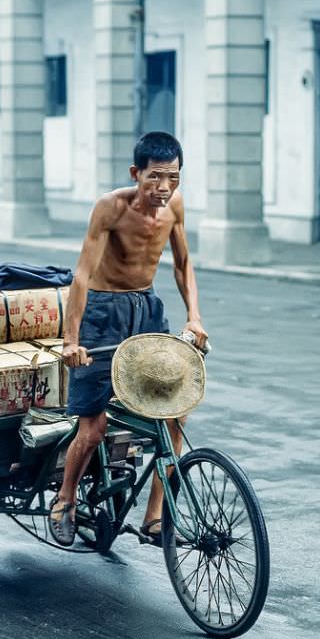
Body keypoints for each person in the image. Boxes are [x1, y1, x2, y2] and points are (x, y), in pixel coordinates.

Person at [49, 131, 208, 547]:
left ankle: (154, 517)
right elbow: (82, 274)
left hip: (146, 308)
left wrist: (194, 317)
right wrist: (71, 340)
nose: (163, 188)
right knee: (94, 425)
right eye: (155, 177)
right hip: (102, 313)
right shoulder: (110, 208)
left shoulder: (174, 206)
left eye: (172, 178)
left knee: (174, 415)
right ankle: (64, 500)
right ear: (136, 173)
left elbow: (183, 264)